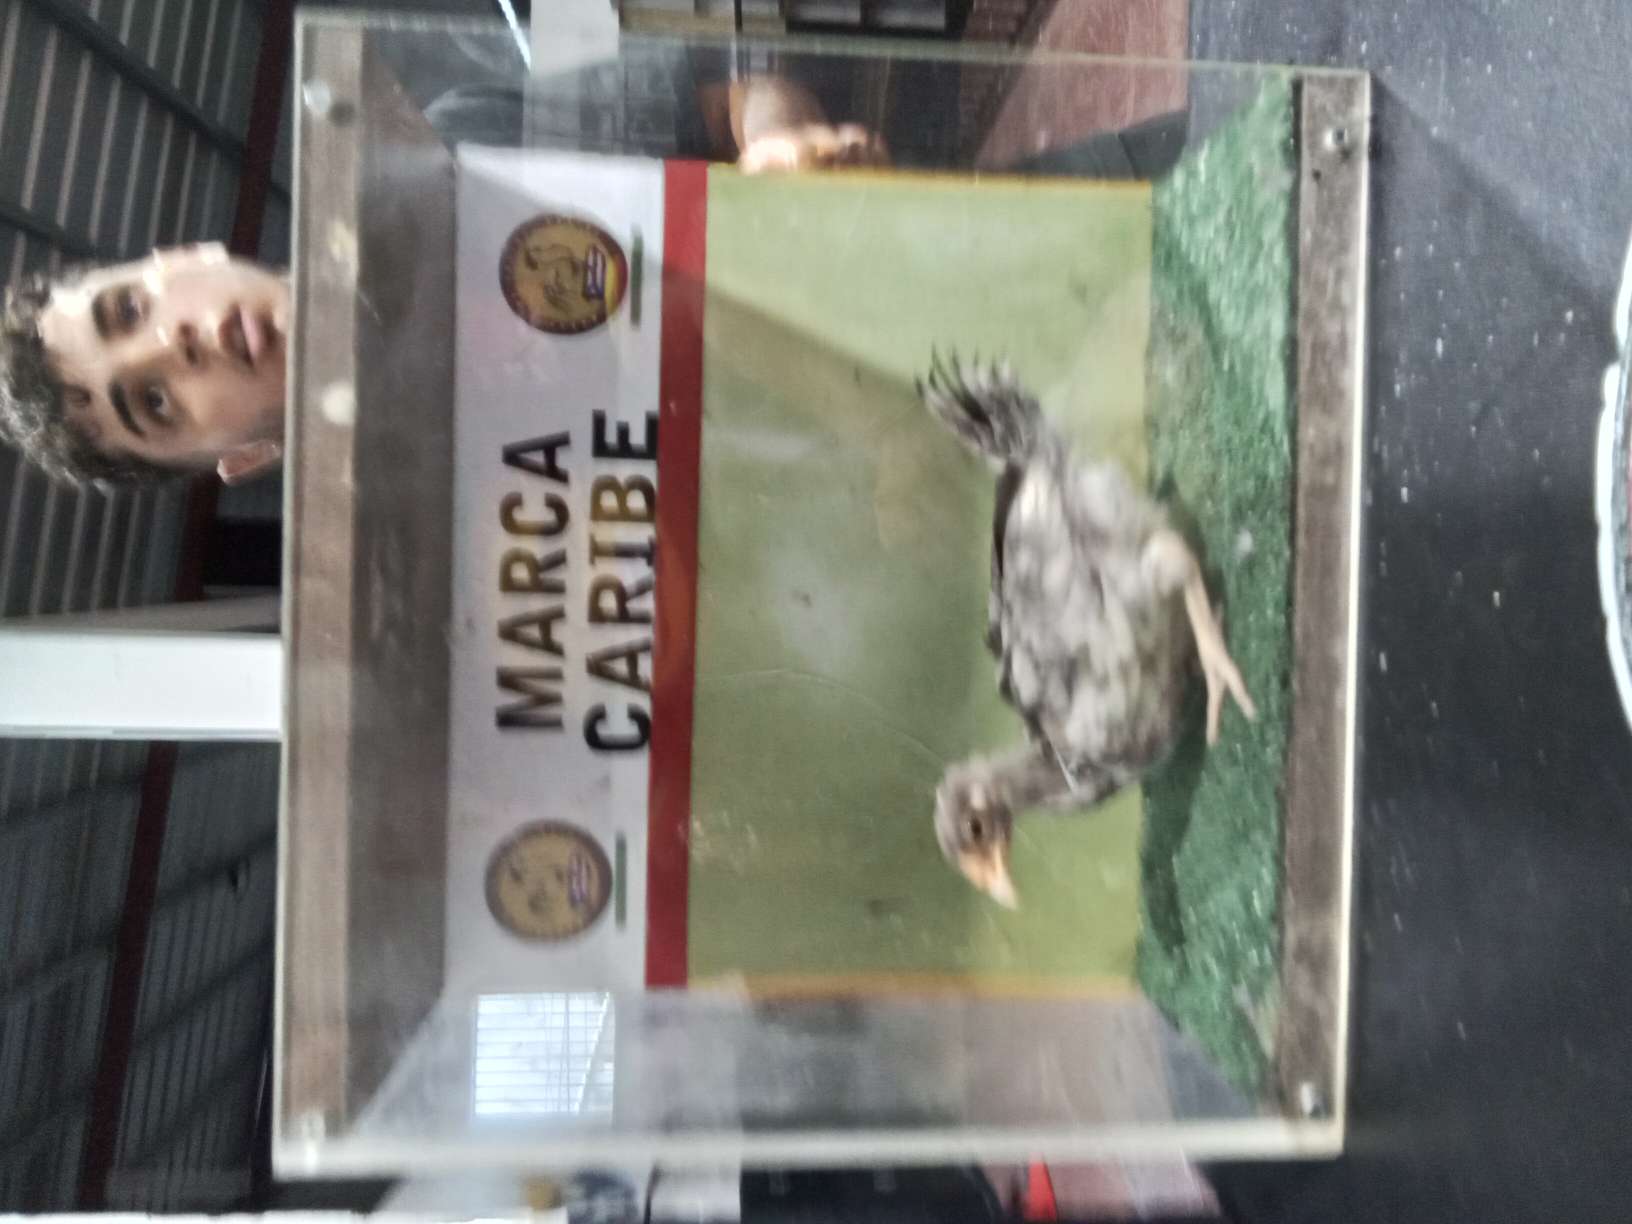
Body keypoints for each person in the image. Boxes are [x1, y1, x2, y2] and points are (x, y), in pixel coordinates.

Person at [0, 72, 885, 488]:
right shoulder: (445, 545)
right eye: (153, 402)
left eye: (129, 310)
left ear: (186, 256)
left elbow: (733, 102)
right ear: (241, 460)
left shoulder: (448, 149)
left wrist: (780, 145)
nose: (176, 343)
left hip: (906, 280)